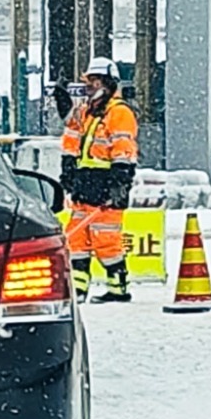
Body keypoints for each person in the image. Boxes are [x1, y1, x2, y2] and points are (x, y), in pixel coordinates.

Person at [53, 56, 139, 302]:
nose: (90, 85)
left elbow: (123, 150)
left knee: (107, 241)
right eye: (89, 80)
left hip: (105, 186)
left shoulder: (119, 113)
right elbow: (71, 129)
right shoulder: (87, 112)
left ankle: (118, 289)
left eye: (95, 80)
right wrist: (68, 170)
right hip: (83, 185)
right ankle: (78, 290)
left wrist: (119, 184)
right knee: (76, 241)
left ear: (108, 83)